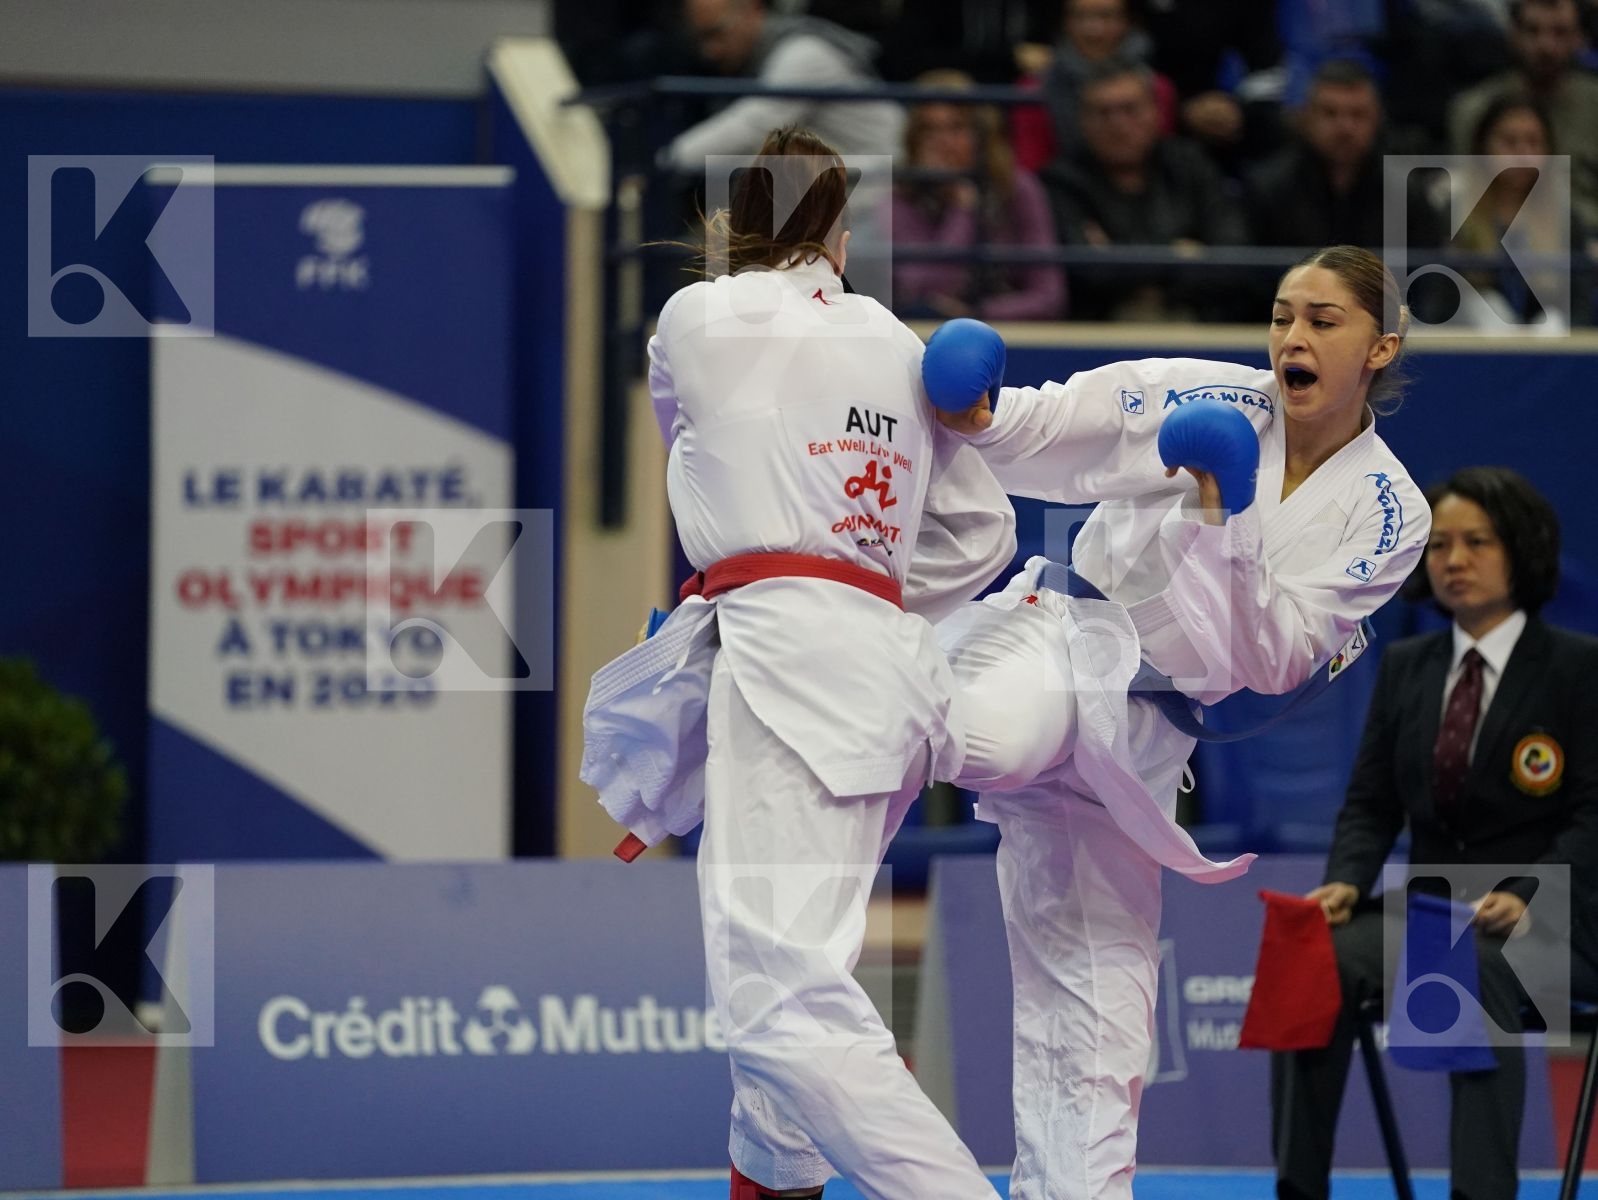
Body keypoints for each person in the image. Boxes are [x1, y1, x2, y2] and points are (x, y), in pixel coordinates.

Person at [923, 244, 1432, 1199]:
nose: (1292, 337)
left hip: (1150, 736)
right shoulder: (1214, 395)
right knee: (999, 735)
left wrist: (1218, 513)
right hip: (1066, 644)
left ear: (1380, 348)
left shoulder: (1390, 510)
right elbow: (1070, 424)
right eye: (1283, 315)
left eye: (1323, 321)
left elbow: (1275, 657)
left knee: (1106, 1014)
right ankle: (765, 685)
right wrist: (987, 415)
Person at [582, 126, 1016, 1200]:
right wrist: (860, 583)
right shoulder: (901, 347)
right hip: (887, 671)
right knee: (786, 1027)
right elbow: (982, 534)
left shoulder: (694, 314)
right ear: (840, 226)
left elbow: (685, 441)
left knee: (772, 1000)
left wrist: (802, 574)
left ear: (735, 221)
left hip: (784, 659)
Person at [1270, 466, 1598, 1200]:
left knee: (1476, 961)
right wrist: (1348, 879)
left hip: (1553, 925)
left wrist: (1525, 897)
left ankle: (1479, 1195)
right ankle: (1298, 1188)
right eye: (1441, 544)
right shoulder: (1408, 668)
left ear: (1521, 550)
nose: (1454, 560)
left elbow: (1593, 817)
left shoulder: (1581, 669)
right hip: (1431, 920)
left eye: (1476, 542)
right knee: (1314, 955)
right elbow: (1371, 803)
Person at [1041, 57, 1248, 321]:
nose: (1117, 124)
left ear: (1156, 112)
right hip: (1098, 333)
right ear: (1082, 121)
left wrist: (1118, 258)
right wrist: (1180, 253)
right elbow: (1088, 276)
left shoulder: (1191, 164)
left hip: (1200, 324)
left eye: (1130, 110)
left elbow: (1233, 257)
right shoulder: (1062, 180)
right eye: (1103, 113)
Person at [892, 70, 1066, 321]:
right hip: (932, 335)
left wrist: (977, 314)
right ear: (914, 141)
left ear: (981, 135)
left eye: (956, 128)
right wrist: (962, 210)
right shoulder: (901, 198)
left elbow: (1050, 297)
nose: (943, 142)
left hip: (1011, 334)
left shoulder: (1017, 187)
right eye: (929, 130)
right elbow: (924, 293)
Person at [660, 0, 904, 172]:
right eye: (701, 38)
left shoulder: (804, 53)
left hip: (881, 191)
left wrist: (663, 160)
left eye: (716, 33)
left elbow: (754, 124)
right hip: (841, 189)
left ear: (753, 10)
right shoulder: (755, 62)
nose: (709, 52)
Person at [1445, 91, 1595, 330]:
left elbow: (1581, 306)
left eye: (1533, 142)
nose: (1523, 153)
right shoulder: (1454, 215)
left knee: (1553, 322)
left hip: (1550, 355)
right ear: (1483, 148)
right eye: (1509, 142)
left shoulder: (1566, 220)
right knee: (1484, 306)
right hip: (1473, 351)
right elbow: (1437, 302)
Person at [1447, 0, 1598, 231]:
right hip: (1496, 242)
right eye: (1533, 30)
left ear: (1580, 37)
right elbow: (1466, 194)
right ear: (1512, 33)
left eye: (1560, 32)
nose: (1546, 45)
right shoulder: (1473, 109)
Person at [1009, 0, 1178, 173]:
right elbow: (1032, 168)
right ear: (1064, 22)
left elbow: (1163, 163)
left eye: (1106, 16)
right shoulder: (1033, 89)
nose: (1094, 31)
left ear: (1128, 21)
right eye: (1081, 17)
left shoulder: (1157, 88)